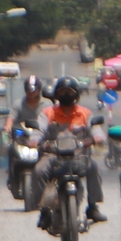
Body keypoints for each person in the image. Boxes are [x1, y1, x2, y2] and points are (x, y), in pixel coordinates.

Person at [31, 77, 109, 228]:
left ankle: (93, 207)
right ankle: (44, 211)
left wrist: (97, 136)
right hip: (53, 156)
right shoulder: (48, 113)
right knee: (38, 170)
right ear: (56, 95)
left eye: (70, 92)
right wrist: (35, 139)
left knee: (93, 166)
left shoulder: (85, 113)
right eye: (62, 92)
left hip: (78, 156)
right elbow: (39, 130)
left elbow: (95, 128)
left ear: (77, 95)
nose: (66, 95)